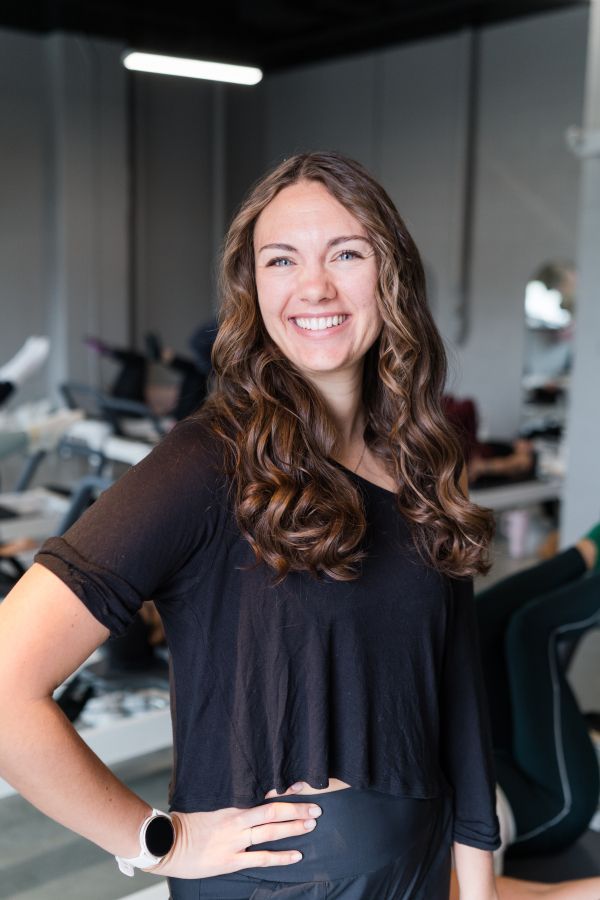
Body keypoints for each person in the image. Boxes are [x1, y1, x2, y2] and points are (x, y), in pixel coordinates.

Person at [0, 152, 505, 899]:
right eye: (281, 260)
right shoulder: (208, 462)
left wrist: (479, 885)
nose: (315, 287)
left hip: (419, 878)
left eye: (346, 253)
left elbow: (458, 702)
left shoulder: (421, 461)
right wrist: (157, 842)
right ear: (253, 286)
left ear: (389, 273)